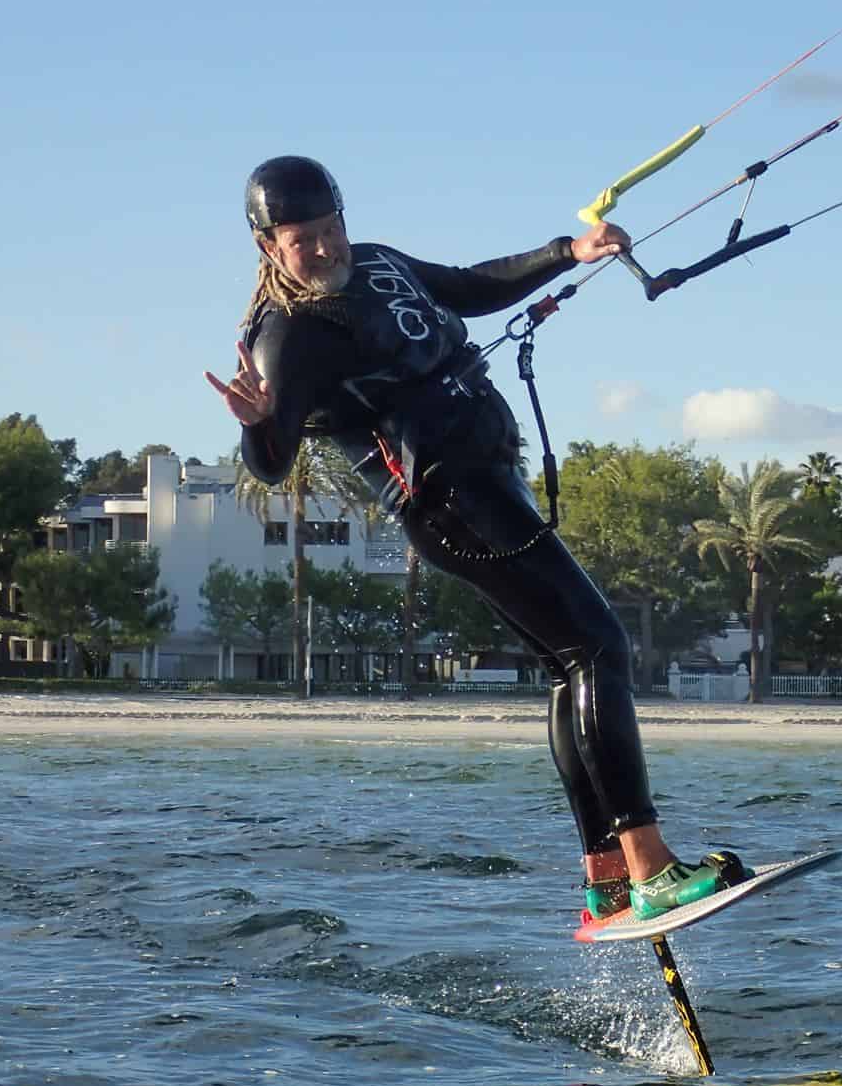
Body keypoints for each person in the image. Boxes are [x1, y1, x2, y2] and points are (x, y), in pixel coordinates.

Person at [204, 156, 743, 925]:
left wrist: (566, 251)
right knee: (601, 647)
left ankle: (609, 880)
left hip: (488, 479)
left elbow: (466, 286)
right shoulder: (287, 336)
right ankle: (651, 866)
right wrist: (257, 424)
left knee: (572, 664)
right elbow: (273, 458)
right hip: (451, 502)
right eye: (303, 240)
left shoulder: (379, 263)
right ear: (268, 246)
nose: (326, 250)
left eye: (332, 230)